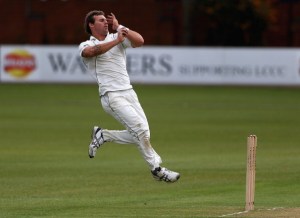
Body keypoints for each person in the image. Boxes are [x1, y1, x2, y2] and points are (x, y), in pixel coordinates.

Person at [78, 10, 180, 183]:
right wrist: (117, 40)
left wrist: (120, 27)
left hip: (129, 92)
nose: (105, 23)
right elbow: (90, 52)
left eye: (106, 20)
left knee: (143, 133)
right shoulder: (86, 44)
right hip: (111, 95)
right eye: (101, 20)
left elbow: (140, 41)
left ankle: (104, 135)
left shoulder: (116, 36)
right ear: (91, 25)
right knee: (139, 129)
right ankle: (156, 169)